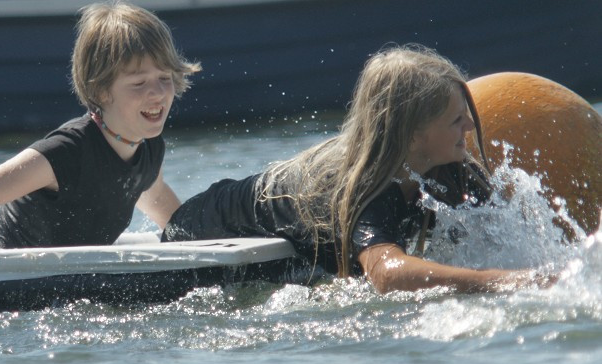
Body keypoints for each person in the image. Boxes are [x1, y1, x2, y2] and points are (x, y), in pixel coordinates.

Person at [162, 44, 550, 294]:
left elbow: (504, 231)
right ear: (412, 136)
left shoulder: (449, 167)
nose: (469, 128)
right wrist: (506, 282)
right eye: (455, 121)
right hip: (200, 232)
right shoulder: (366, 185)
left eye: (467, 117)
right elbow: (387, 273)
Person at [0, 1, 200, 269]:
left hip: (64, 287)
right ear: (101, 90)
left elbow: (173, 220)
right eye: (139, 83)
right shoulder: (65, 153)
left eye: (165, 78)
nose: (158, 93)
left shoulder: (147, 152)